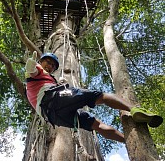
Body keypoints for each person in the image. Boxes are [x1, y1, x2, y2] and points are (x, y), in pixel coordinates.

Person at [25, 51, 163, 143]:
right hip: (54, 98)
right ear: (40, 61)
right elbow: (32, 71)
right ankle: (134, 109)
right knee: (100, 96)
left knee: (96, 125)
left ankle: (128, 141)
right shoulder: (37, 70)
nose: (49, 66)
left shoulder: (47, 79)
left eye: (52, 65)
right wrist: (31, 64)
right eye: (47, 62)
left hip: (53, 116)